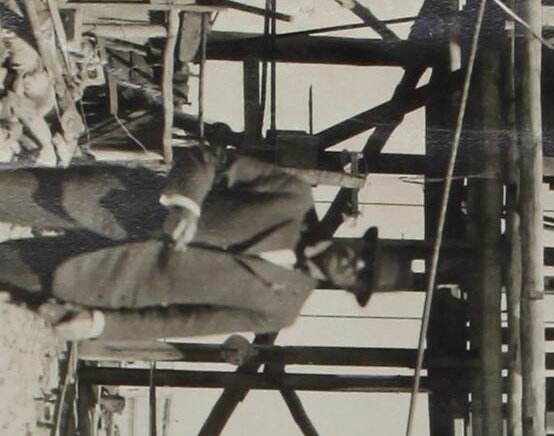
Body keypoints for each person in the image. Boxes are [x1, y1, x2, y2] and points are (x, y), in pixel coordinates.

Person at [0, 144, 403, 343]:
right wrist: (186, 205)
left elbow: (179, 321)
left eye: (362, 276)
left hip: (96, 279)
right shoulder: (293, 197)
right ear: (359, 241)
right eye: (365, 255)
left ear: (351, 289)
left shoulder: (280, 310)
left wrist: (98, 324)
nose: (356, 264)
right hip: (100, 202)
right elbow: (210, 157)